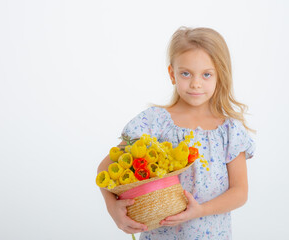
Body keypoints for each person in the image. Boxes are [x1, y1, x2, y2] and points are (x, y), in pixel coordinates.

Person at [97, 26, 256, 240]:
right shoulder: (154, 122)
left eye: (207, 74)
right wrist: (112, 209)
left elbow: (239, 192)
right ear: (172, 74)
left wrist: (201, 210)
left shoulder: (229, 131)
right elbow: (104, 169)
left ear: (221, 75)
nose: (195, 83)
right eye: (186, 73)